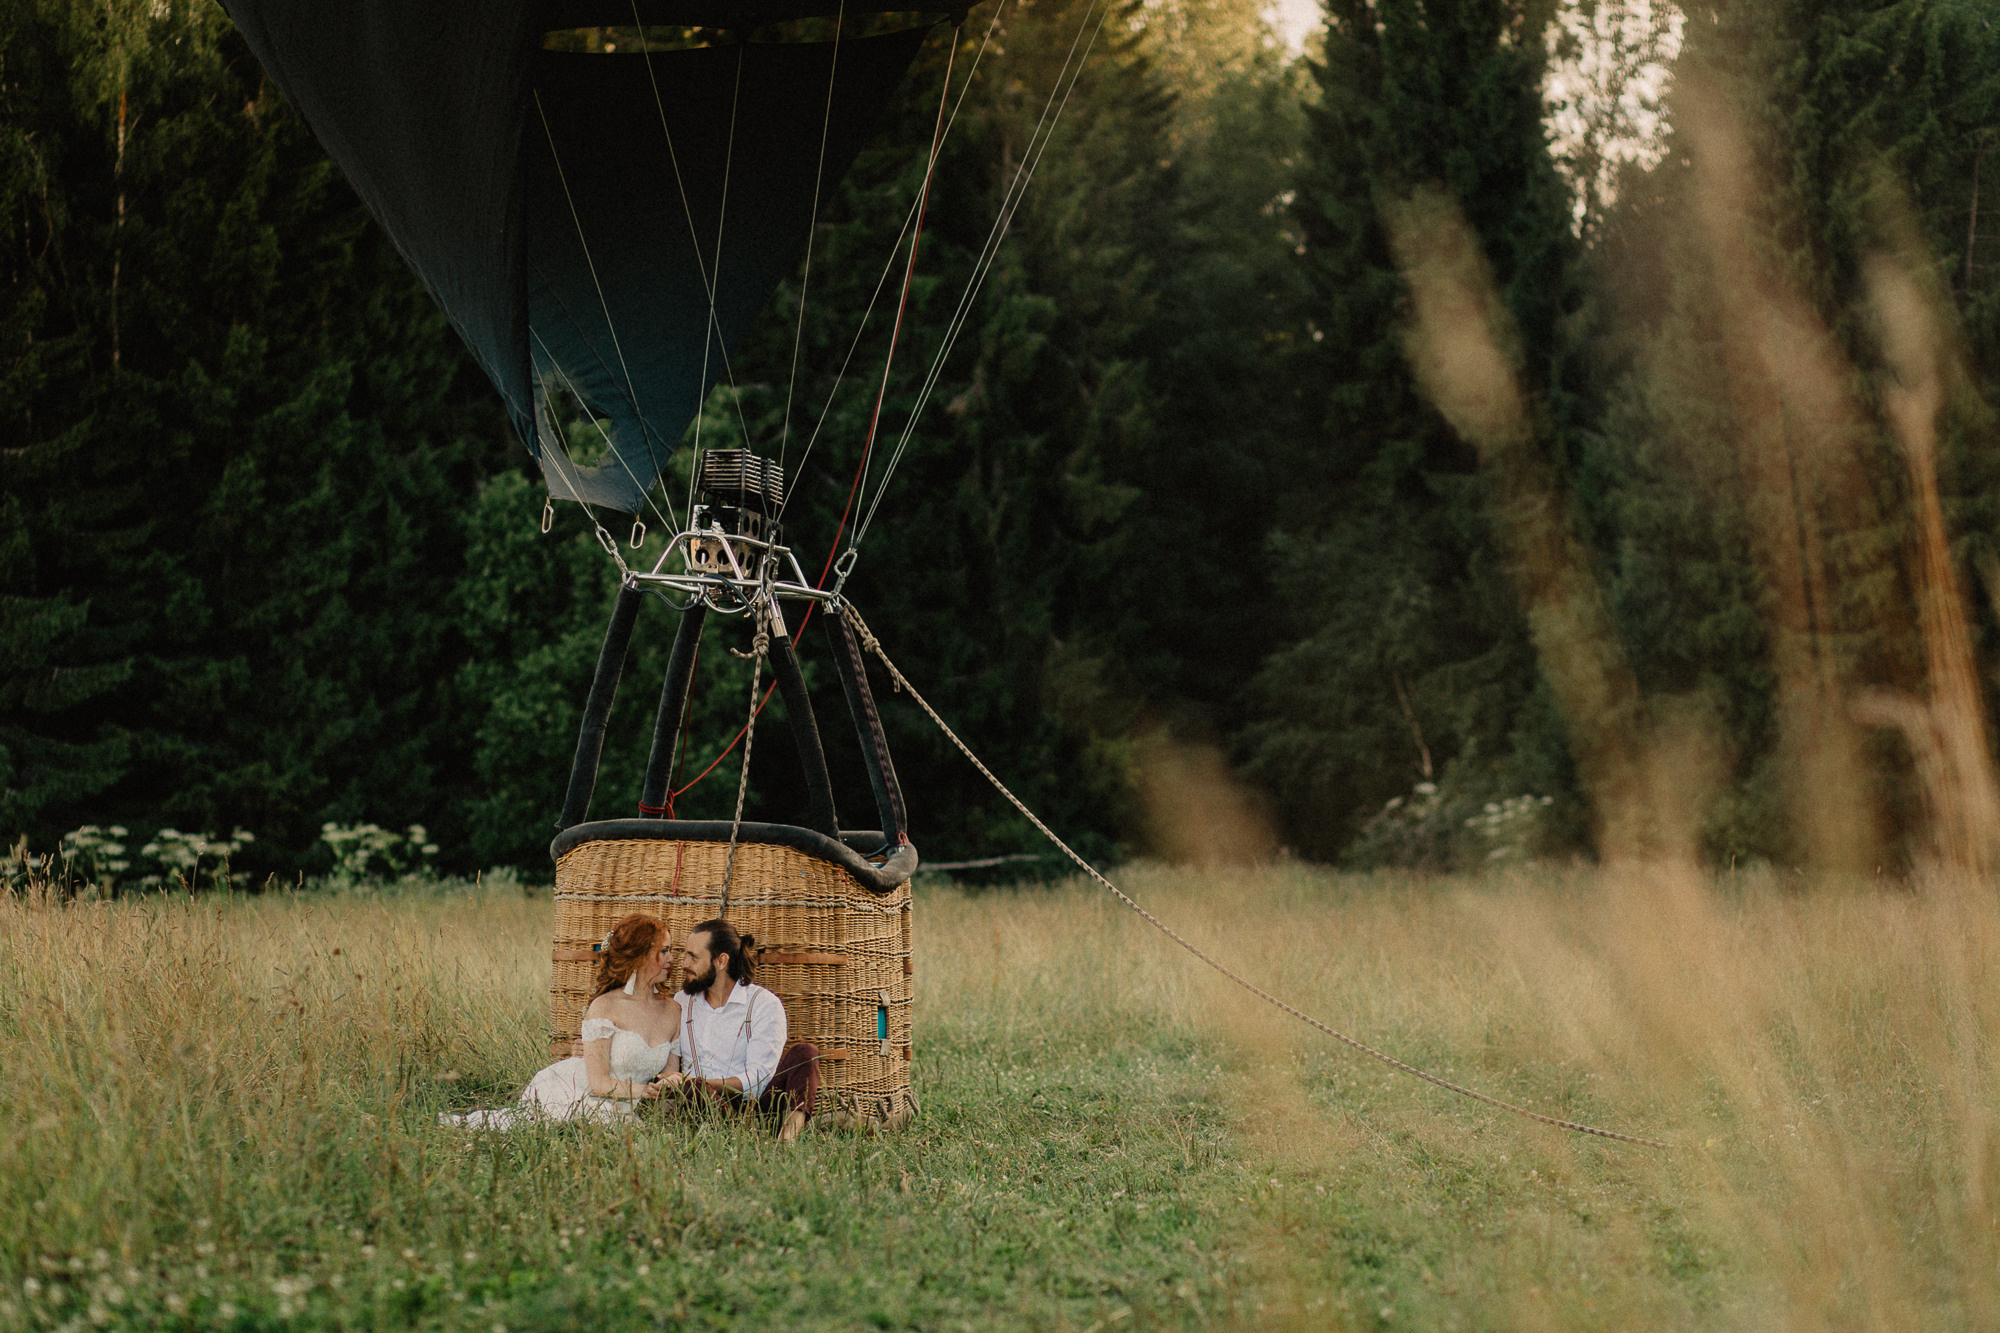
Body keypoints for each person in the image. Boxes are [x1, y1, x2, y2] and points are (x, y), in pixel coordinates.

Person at [442, 914, 681, 1128]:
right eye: (664, 951)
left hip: (627, 1104)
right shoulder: (605, 1006)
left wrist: (668, 1086)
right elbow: (598, 1083)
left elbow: (671, 1075)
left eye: (670, 950)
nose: (672, 958)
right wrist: (645, 1092)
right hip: (577, 1090)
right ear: (640, 955)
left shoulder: (672, 1011)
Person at [671, 917, 820, 1142]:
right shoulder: (682, 1002)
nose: (684, 964)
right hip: (703, 1106)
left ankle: (786, 1141)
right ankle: (738, 1137)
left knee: (805, 1054)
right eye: (685, 954)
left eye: (693, 957)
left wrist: (699, 1083)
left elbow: (759, 1080)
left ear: (721, 961)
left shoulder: (763, 1004)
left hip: (758, 1109)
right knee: (694, 1090)